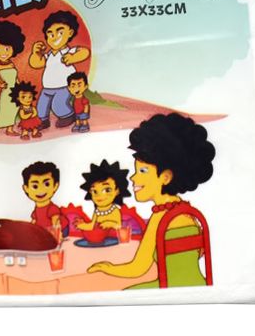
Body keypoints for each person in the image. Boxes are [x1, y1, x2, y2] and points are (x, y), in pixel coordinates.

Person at [87, 113, 215, 288]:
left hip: (170, 290)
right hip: (199, 285)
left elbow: (137, 268)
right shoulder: (188, 213)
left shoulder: (162, 217)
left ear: (165, 177)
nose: (133, 178)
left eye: (143, 171)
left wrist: (107, 267)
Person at [28, 10, 90, 130]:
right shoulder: (49, 55)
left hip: (63, 86)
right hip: (47, 87)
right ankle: (43, 120)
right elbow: (36, 64)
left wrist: (73, 57)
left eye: (60, 32)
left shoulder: (68, 52)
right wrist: (35, 53)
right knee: (41, 105)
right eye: (50, 34)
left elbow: (84, 52)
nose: (54, 37)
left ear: (70, 33)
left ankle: (68, 116)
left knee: (58, 104)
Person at [75, 159, 130, 232]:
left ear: (117, 191)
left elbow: (119, 226)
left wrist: (110, 223)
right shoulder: (97, 211)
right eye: (94, 191)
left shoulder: (115, 211)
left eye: (107, 190)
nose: (99, 196)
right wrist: (81, 225)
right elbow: (92, 226)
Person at [22, 161, 68, 233]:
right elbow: (33, 223)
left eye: (47, 184)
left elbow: (56, 224)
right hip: (43, 233)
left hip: (55, 232)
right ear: (26, 188)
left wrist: (56, 235)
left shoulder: (52, 208)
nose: (41, 190)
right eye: (35, 186)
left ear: (55, 186)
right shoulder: (36, 210)